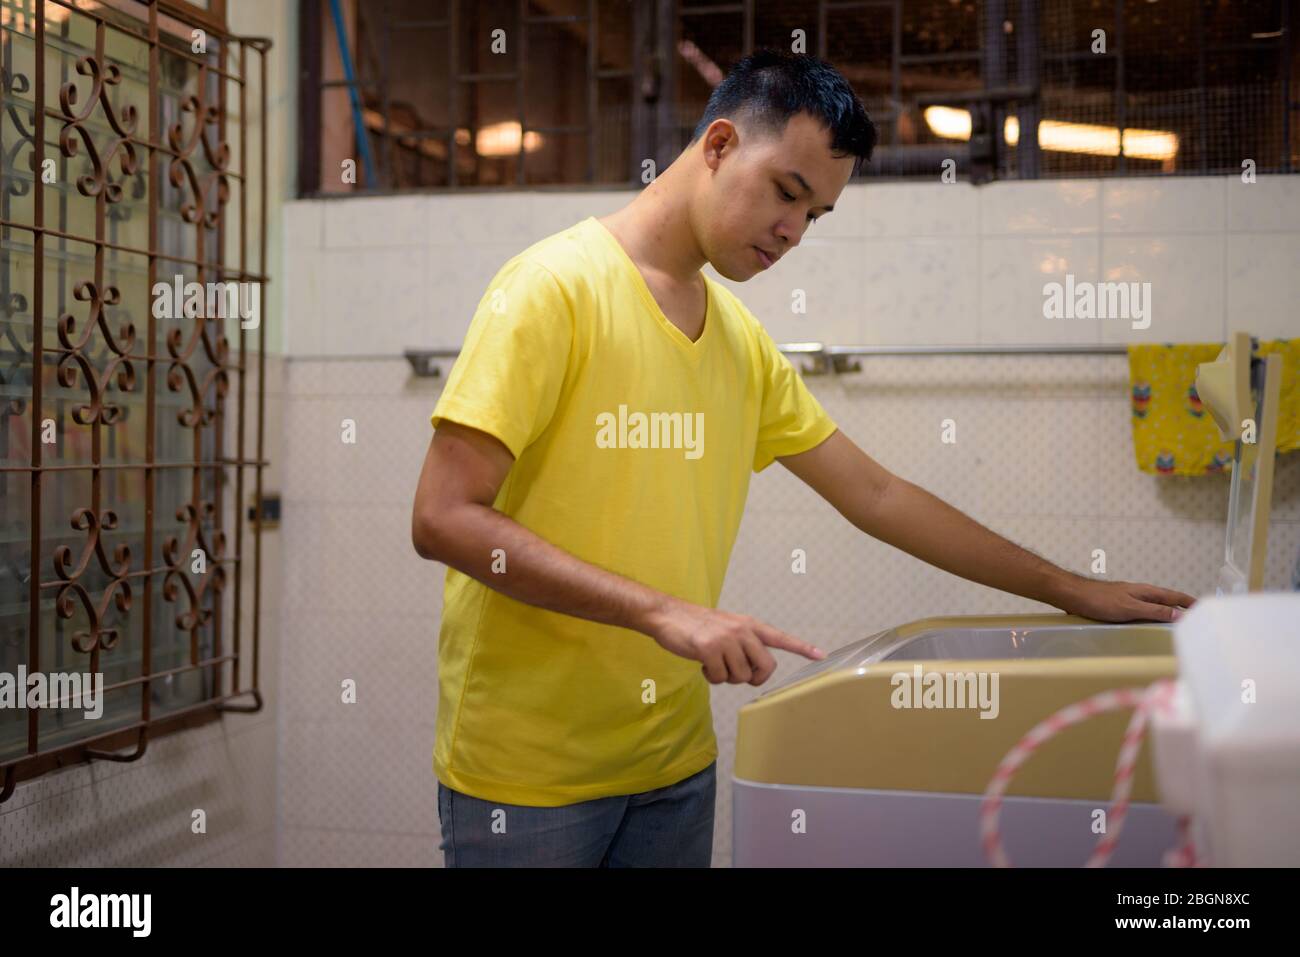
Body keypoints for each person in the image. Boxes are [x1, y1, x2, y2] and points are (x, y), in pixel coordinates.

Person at [410, 49, 1196, 868]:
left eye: (815, 214)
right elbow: (443, 516)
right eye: (787, 191)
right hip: (527, 780)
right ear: (718, 145)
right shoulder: (550, 289)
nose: (793, 231)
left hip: (672, 765)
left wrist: (1076, 590)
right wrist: (662, 610)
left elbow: (879, 494)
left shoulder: (741, 344)